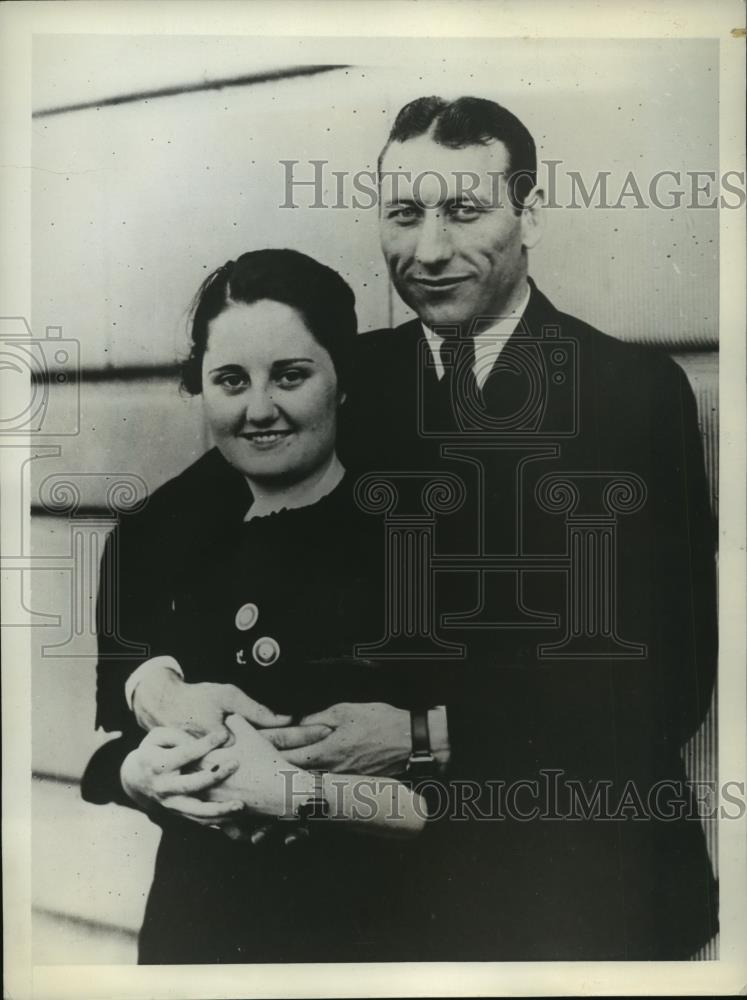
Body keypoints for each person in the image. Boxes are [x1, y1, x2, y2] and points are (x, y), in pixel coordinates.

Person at [332, 96, 718, 959]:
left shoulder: (632, 394)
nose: (427, 251)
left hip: (580, 890)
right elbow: (181, 525)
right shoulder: (339, 383)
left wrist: (425, 733)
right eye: (403, 213)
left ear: (529, 212)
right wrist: (154, 678)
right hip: (383, 903)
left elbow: (670, 683)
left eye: (464, 211)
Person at [82, 249, 448, 964]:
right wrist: (140, 775)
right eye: (230, 380)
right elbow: (125, 753)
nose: (258, 409)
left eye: (290, 375)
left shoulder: (417, 545)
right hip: (197, 935)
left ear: (341, 381)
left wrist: (303, 796)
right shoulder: (169, 546)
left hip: (371, 939)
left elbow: (480, 793)